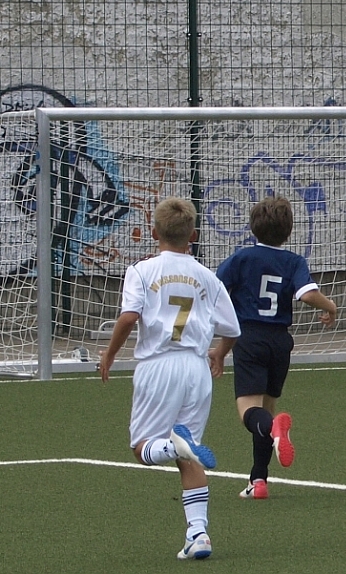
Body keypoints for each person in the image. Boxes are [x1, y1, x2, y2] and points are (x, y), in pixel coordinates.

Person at [98, 197, 241, 561]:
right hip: (196, 368)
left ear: (153, 232)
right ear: (193, 235)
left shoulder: (142, 271)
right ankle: (198, 534)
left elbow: (129, 317)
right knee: (190, 457)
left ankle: (173, 447)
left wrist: (110, 354)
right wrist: (219, 353)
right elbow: (232, 328)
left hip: (158, 365)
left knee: (142, 448)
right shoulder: (208, 276)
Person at [217, 196, 337, 499]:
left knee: (250, 412)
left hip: (249, 337)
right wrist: (331, 306)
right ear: (289, 230)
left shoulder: (242, 258)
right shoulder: (294, 261)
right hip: (280, 342)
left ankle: (274, 433)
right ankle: (258, 481)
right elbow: (307, 294)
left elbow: (216, 287)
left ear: (253, 227)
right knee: (266, 411)